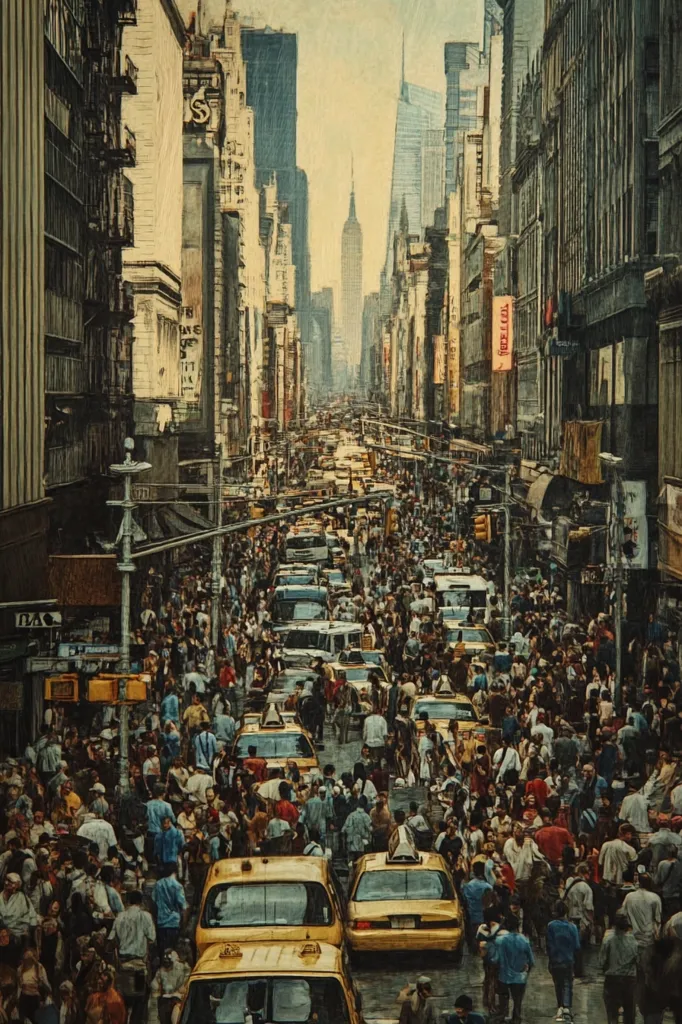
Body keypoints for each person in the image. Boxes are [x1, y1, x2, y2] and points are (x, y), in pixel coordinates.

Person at [599, 911, 639, 1024]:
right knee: (630, 1014)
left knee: (612, 1014)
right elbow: (638, 960)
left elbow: (601, 961)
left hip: (612, 978)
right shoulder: (634, 941)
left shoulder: (608, 939)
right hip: (630, 979)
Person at [494, 914, 534, 1024]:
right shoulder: (524, 941)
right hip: (520, 978)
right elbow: (531, 961)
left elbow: (495, 959)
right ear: (518, 925)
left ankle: (502, 1016)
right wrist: (526, 972)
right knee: (517, 1002)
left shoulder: (500, 941)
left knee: (503, 1000)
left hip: (503, 977)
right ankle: (516, 1018)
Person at [545, 900, 581, 1021]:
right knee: (568, 984)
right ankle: (567, 1008)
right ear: (566, 912)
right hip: (569, 960)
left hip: (555, 960)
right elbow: (577, 946)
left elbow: (548, 945)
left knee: (558, 984)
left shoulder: (551, 926)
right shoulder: (573, 927)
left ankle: (560, 1006)